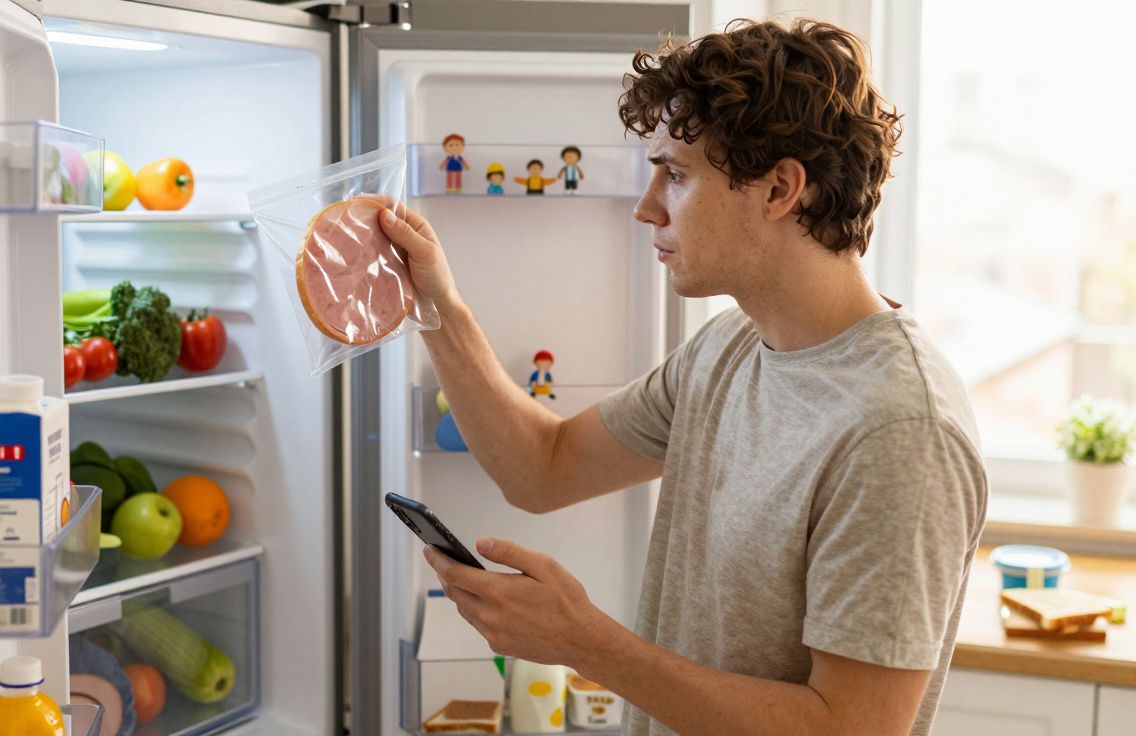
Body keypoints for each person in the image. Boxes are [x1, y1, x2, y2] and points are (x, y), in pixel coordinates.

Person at [377, 17, 986, 736]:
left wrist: (584, 644)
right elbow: (540, 468)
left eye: (676, 173)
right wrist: (437, 303)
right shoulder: (725, 351)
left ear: (780, 189)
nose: (647, 207)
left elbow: (849, 728)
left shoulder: (900, 431)